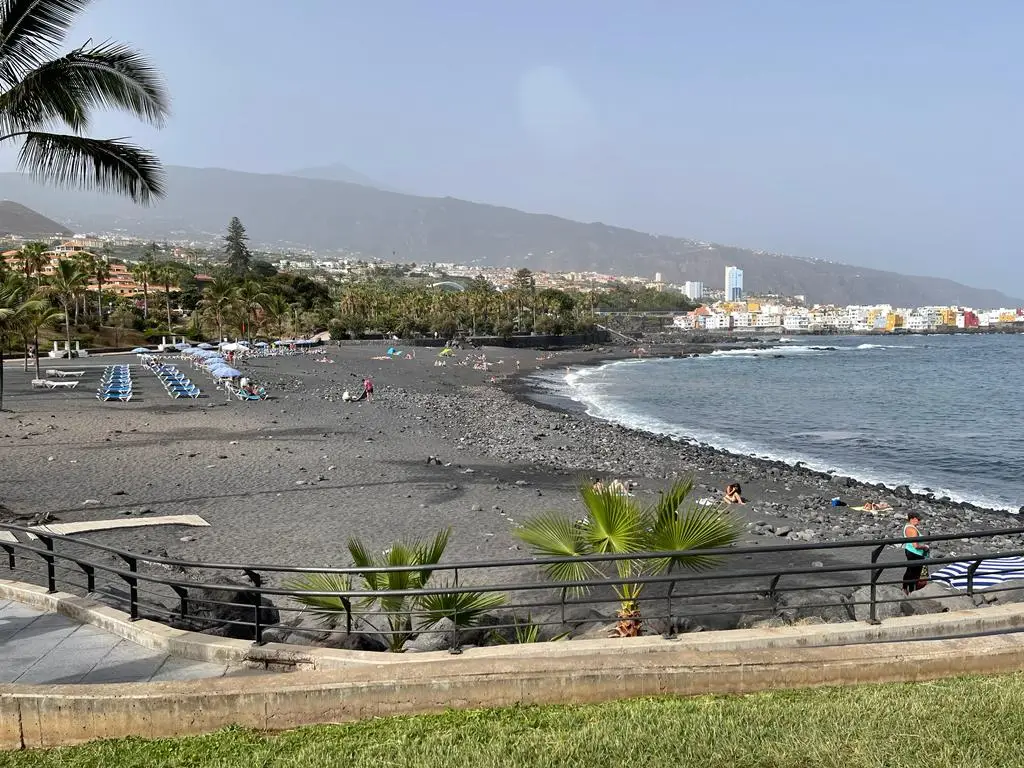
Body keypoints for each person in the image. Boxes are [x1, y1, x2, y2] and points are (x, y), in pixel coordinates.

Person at [902, 513, 929, 593]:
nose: (919, 521)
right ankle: (911, 590)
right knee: (914, 574)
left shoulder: (908, 527)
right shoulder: (912, 529)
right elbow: (915, 545)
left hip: (910, 551)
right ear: (912, 519)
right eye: (918, 519)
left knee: (909, 571)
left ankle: (905, 588)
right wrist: (925, 547)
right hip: (915, 553)